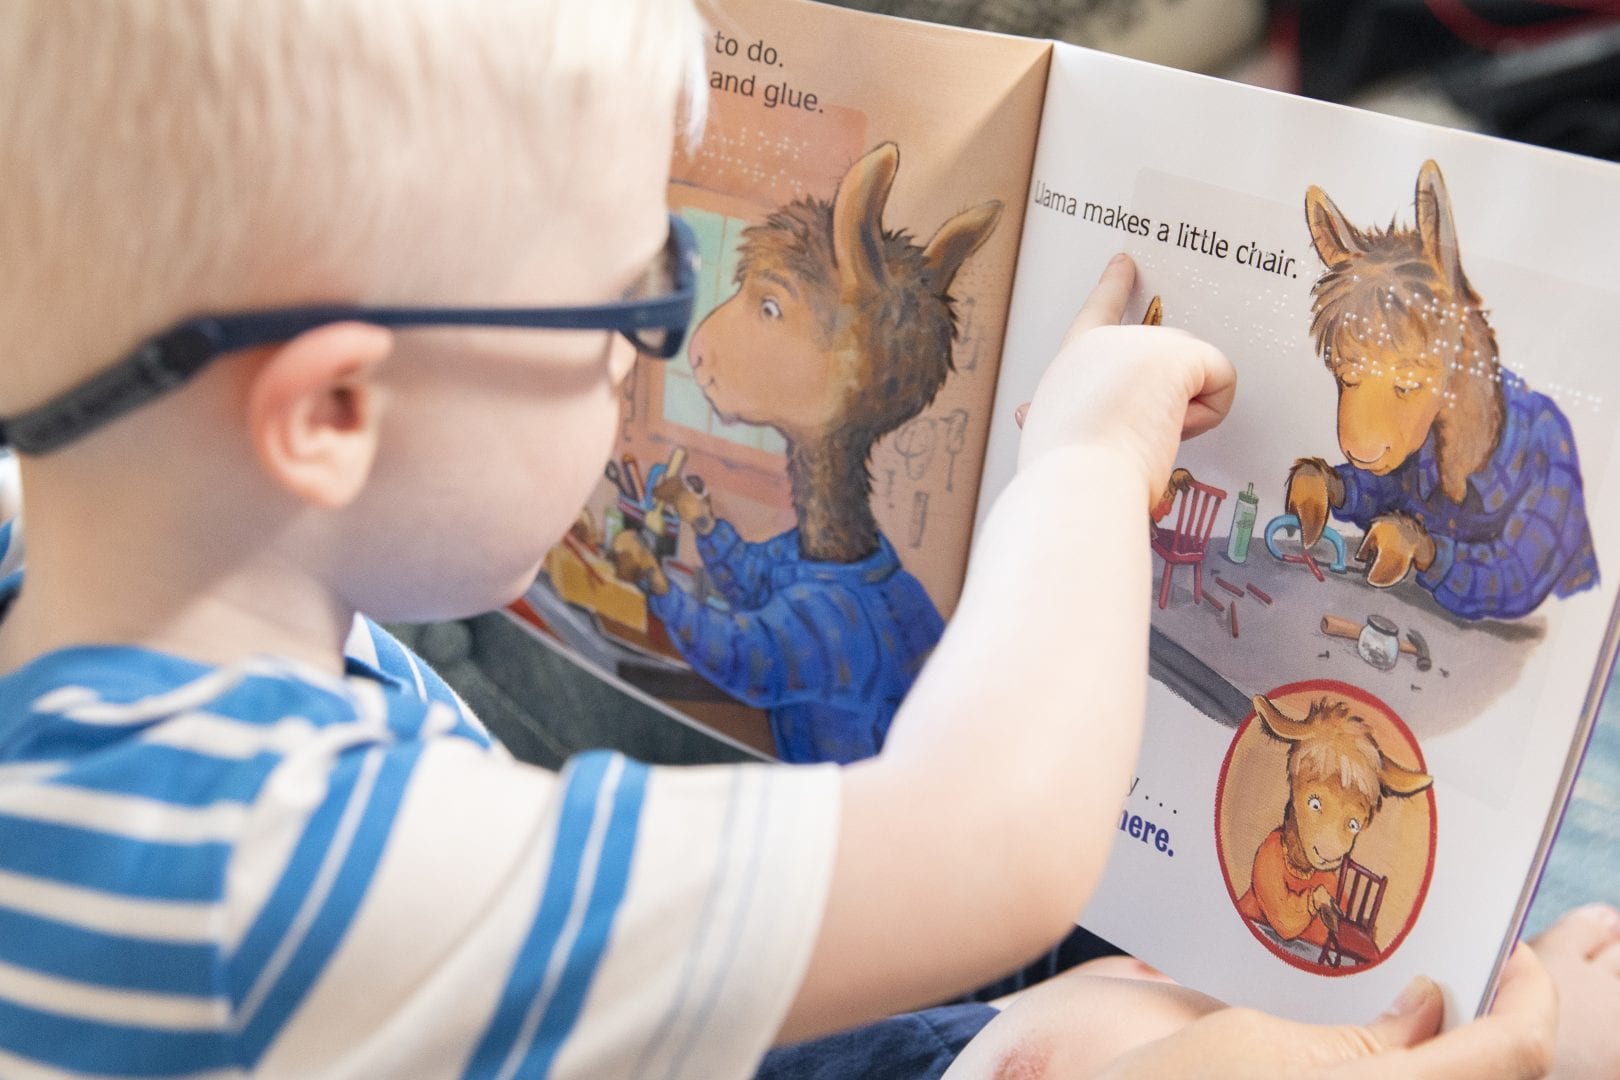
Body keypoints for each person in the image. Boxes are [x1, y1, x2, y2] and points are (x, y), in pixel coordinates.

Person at [0, 2, 1613, 1077]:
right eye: (633, 303)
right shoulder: (269, 880)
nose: (652, 359)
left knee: (1107, 1025)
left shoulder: (75, 580)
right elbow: (988, 848)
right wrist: (1084, 460)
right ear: (330, 413)